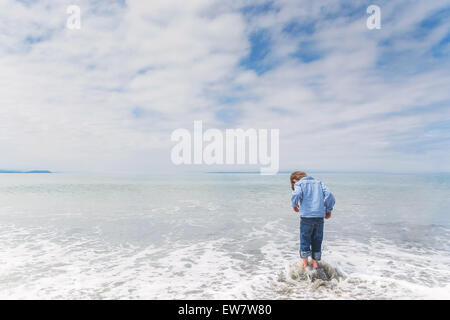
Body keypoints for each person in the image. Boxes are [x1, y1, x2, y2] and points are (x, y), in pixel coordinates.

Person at [290, 171, 335, 269]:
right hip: (319, 217)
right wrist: (328, 210)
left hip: (306, 217)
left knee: (305, 239)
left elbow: (296, 194)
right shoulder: (319, 183)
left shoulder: (299, 184)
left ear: (294, 180)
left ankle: (305, 263)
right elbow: (329, 195)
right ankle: (315, 263)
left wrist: (294, 205)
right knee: (317, 240)